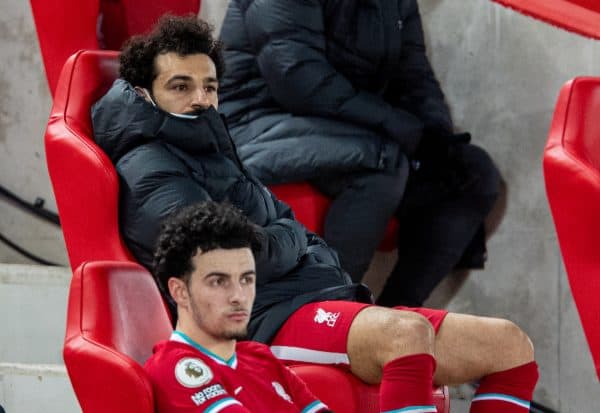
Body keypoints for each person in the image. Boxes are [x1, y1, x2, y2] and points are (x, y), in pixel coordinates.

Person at [93, 15, 538, 412]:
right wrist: (287, 239)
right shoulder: (148, 166)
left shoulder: (213, 147)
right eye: (180, 86)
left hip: (314, 296)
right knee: (405, 335)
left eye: (209, 87)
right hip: (265, 319)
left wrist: (280, 236)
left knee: (510, 345)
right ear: (142, 93)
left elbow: (279, 227)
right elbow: (226, 258)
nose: (200, 99)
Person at [217, 0, 502, 307]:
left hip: (342, 127)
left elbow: (414, 76)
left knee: (470, 171)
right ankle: (329, 309)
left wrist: (438, 137)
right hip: (257, 122)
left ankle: (394, 318)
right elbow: (297, 76)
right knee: (381, 161)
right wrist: (401, 128)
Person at [145, 201, 331, 412]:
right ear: (180, 291)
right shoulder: (177, 369)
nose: (238, 296)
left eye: (246, 280)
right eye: (218, 281)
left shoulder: (261, 357)